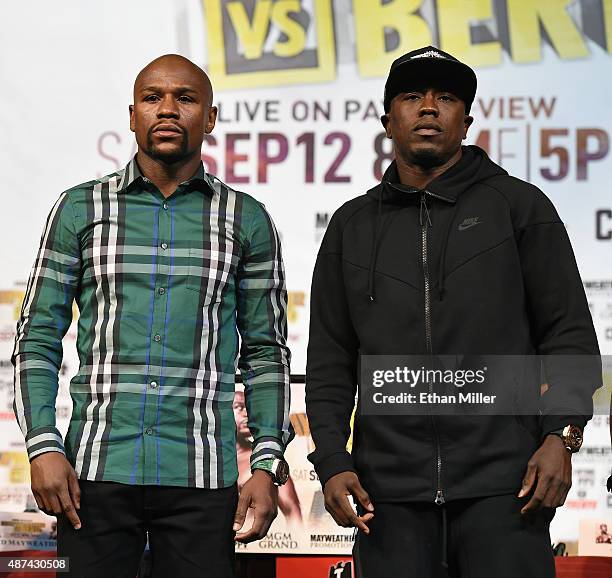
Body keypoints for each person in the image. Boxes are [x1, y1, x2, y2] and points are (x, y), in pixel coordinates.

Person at [305, 46, 601, 577]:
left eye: (446, 98)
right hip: (386, 496)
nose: (428, 108)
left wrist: (562, 435)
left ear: (466, 120)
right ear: (386, 119)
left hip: (506, 488)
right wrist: (331, 458)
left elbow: (568, 332)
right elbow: (330, 355)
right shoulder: (351, 225)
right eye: (412, 96)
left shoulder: (519, 206)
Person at [12, 54, 292, 578]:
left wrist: (267, 464)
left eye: (185, 99)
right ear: (133, 115)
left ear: (209, 118)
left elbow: (265, 352)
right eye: (153, 98)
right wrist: (42, 446)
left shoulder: (246, 219)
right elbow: (37, 337)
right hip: (95, 472)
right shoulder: (81, 209)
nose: (168, 109)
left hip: (201, 474)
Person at [233, 390, 302, 524]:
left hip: (251, 539)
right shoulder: (212, 459)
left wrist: (298, 542)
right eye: (239, 407)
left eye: (249, 409)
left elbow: (293, 512)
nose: (246, 414)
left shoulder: (266, 460)